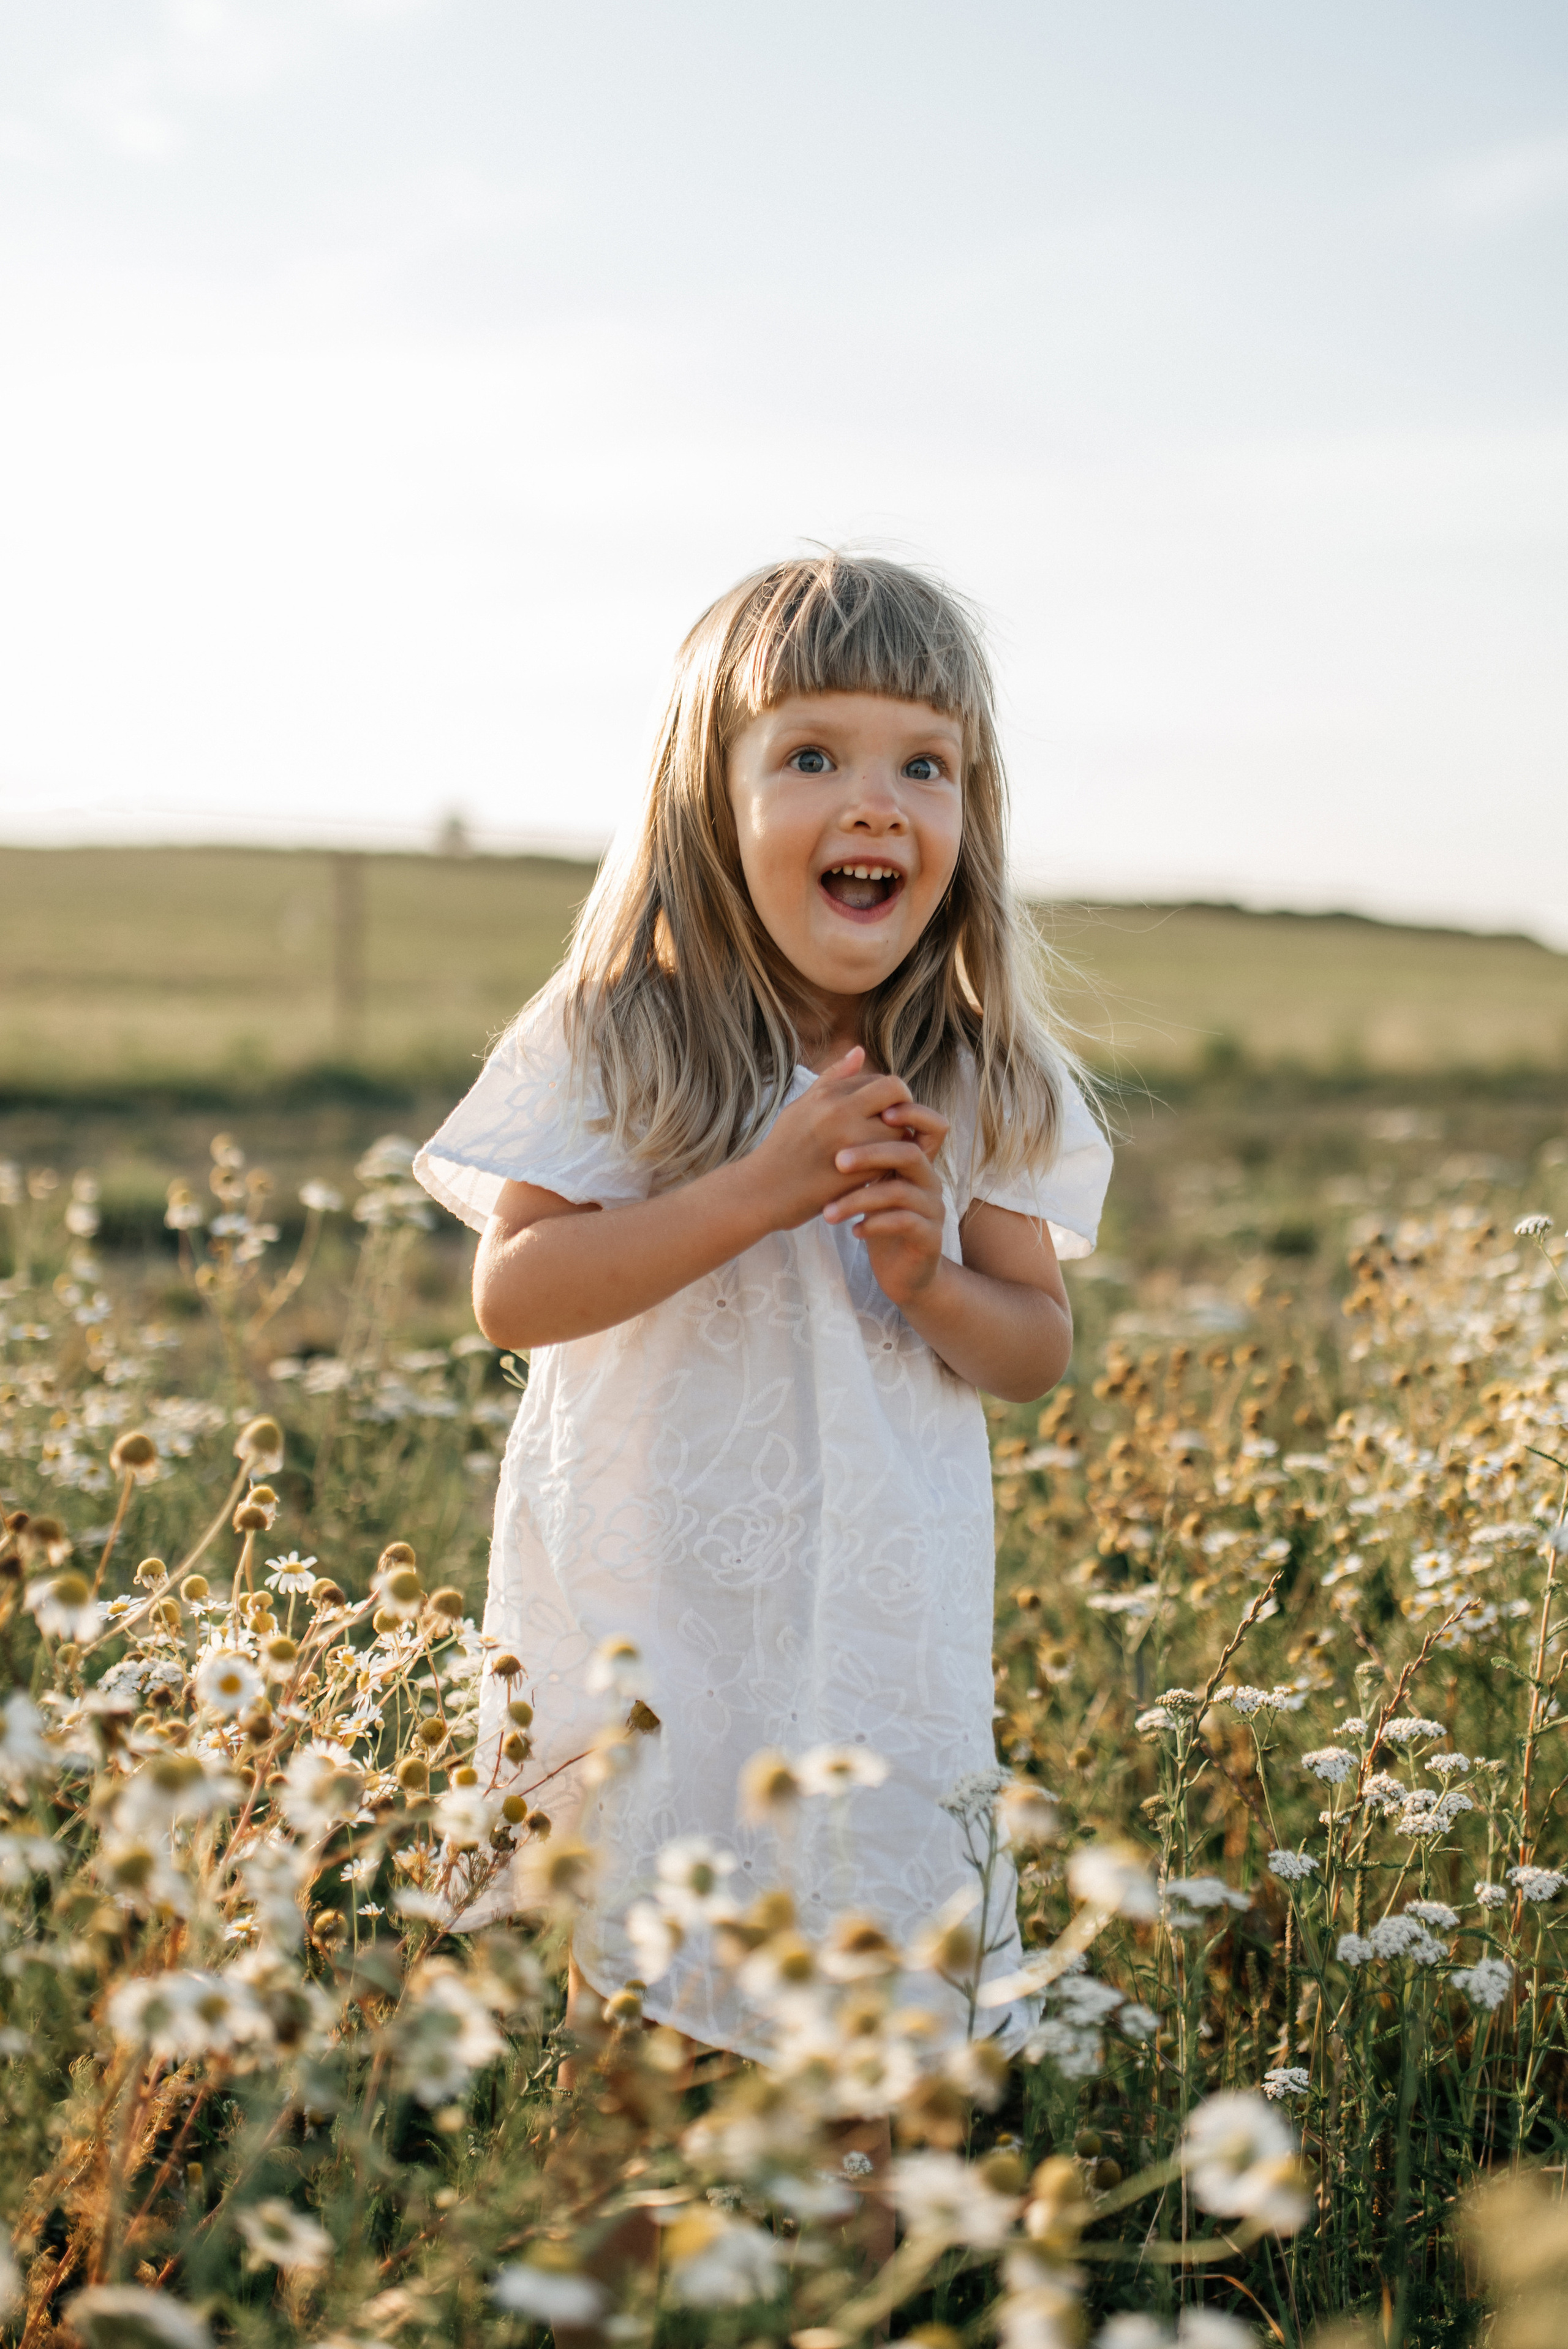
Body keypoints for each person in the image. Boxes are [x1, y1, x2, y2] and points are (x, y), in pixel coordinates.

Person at [412, 550, 1112, 2186]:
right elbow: (514, 1290)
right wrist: (757, 1189)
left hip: (874, 1645)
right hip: (654, 1624)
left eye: (921, 764)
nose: (873, 801)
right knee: (636, 2037)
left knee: (874, 2044)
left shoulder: (988, 1068)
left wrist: (925, 1275)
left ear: (969, 817)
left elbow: (1033, 1348)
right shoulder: (619, 1033)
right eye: (812, 755)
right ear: (704, 799)